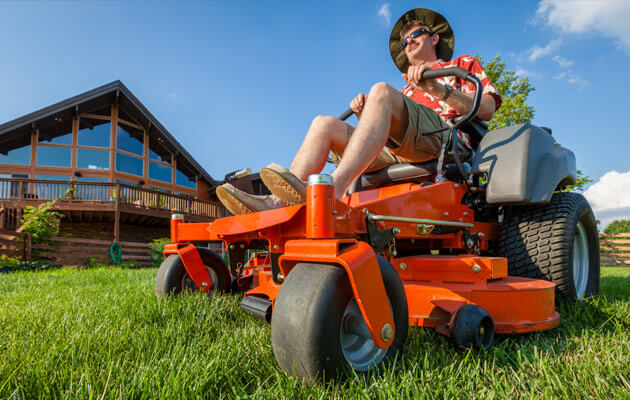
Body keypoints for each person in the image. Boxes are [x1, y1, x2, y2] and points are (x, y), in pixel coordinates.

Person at [216, 8, 502, 216]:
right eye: (404, 42)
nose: (408, 43)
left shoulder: (463, 63)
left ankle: (331, 193)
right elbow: (378, 136)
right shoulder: (405, 92)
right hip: (403, 146)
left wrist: (437, 88)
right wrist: (367, 114)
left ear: (434, 38)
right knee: (323, 124)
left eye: (414, 35)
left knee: (380, 90)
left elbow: (487, 108)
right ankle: (278, 203)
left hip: (445, 137)